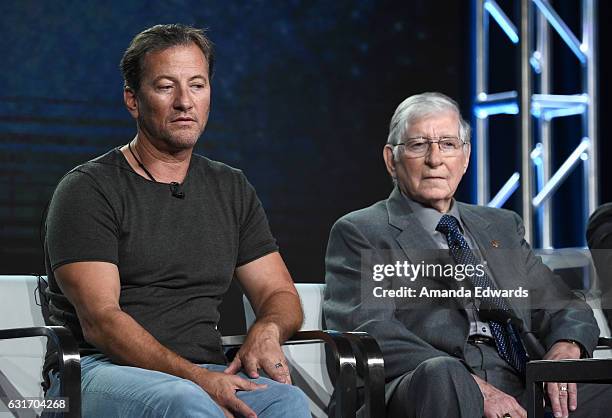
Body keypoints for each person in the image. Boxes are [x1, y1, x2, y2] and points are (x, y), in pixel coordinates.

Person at [43, 24, 310, 418]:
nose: (185, 101)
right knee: (185, 401)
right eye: (166, 86)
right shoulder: (88, 189)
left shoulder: (230, 187)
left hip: (203, 370)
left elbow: (278, 293)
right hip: (95, 371)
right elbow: (101, 322)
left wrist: (266, 331)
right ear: (133, 100)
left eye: (197, 85)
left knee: (286, 401)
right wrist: (199, 381)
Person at [324, 92, 612, 418]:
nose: (435, 159)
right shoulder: (362, 231)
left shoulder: (501, 226)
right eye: (419, 145)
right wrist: (474, 386)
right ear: (392, 160)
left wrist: (567, 347)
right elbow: (372, 330)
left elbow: (564, 305)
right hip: (423, 384)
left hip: (521, 380)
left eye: (448, 144)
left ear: (465, 157)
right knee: (443, 376)